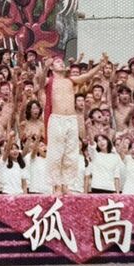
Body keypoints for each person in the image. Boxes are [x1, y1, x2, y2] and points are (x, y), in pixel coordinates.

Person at [39, 54, 107, 196]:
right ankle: (57, 186)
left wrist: (100, 66)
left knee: (70, 153)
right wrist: (45, 68)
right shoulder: (49, 80)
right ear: (52, 67)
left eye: (62, 62)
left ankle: (66, 185)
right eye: (58, 62)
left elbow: (87, 76)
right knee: (56, 153)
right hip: (56, 119)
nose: (61, 64)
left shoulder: (70, 80)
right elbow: (39, 83)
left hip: (71, 119)